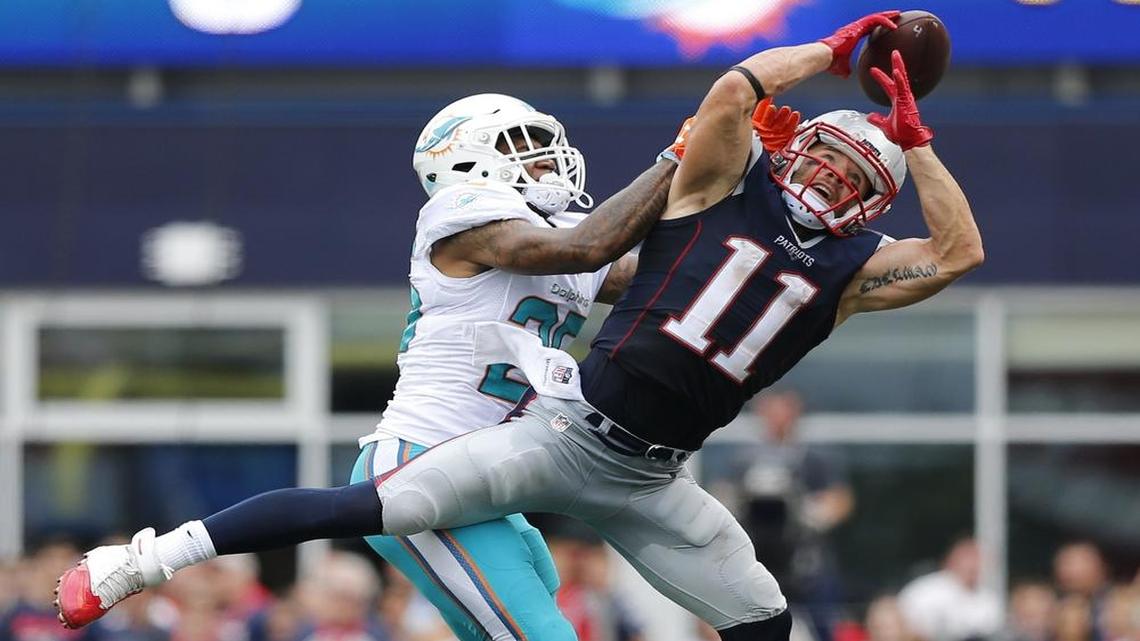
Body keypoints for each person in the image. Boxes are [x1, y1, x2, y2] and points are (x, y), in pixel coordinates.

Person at [58, 11, 985, 641]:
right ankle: (145, 557)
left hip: (624, 470)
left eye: (543, 141)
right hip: (464, 446)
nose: (543, 155)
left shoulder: (830, 265)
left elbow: (655, 275)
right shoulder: (467, 220)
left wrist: (911, 139)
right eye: (519, 146)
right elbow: (591, 243)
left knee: (758, 611)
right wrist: (787, 78)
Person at [720, 390, 854, 641]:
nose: (777, 418)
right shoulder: (743, 459)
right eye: (772, 411)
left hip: (805, 562)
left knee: (822, 625)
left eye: (784, 411)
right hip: (758, 558)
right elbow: (723, 493)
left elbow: (840, 499)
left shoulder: (813, 457)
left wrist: (813, 515)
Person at [896, 537, 1002, 641]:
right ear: (953, 559)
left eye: (979, 559)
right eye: (969, 558)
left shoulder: (989, 599)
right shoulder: (925, 590)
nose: (975, 565)